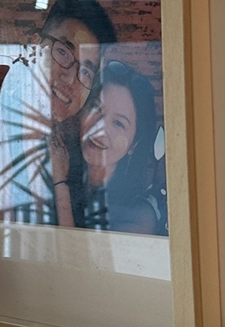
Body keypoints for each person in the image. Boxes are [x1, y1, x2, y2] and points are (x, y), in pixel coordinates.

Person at [0, 0, 116, 223]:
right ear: (35, 48)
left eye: (86, 71)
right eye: (63, 53)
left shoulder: (74, 155)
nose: (71, 78)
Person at [50, 56, 166, 235]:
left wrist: (60, 183)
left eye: (118, 123)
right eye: (97, 109)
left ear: (134, 144)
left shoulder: (140, 216)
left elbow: (76, 250)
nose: (100, 127)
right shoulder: (56, 167)